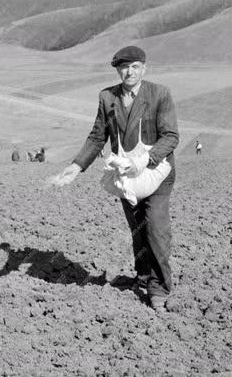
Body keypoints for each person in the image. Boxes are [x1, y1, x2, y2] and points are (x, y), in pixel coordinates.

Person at [51, 46, 179, 312]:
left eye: (134, 66)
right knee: (138, 231)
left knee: (156, 229)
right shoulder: (107, 97)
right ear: (118, 70)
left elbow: (171, 137)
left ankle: (159, 289)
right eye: (123, 67)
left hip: (156, 174)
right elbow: (98, 136)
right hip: (126, 177)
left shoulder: (159, 94)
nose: (128, 72)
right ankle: (143, 277)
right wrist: (76, 166)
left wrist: (145, 160)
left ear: (144, 68)